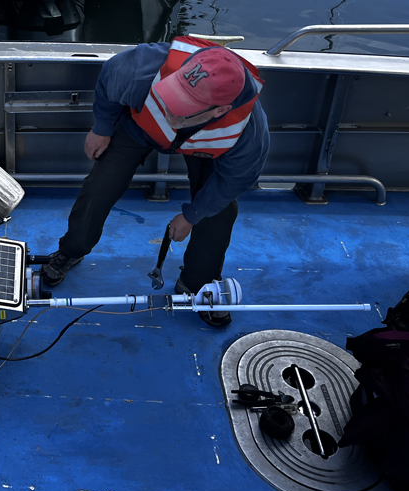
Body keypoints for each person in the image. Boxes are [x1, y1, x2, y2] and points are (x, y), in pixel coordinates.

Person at [40, 36, 270, 327]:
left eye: (183, 106)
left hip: (207, 150)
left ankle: (198, 285)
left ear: (220, 111)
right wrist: (101, 127)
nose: (169, 107)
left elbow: (231, 183)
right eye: (171, 95)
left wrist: (191, 215)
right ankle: (71, 250)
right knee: (100, 185)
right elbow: (109, 81)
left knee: (220, 212)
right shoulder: (143, 67)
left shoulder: (248, 135)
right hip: (141, 128)